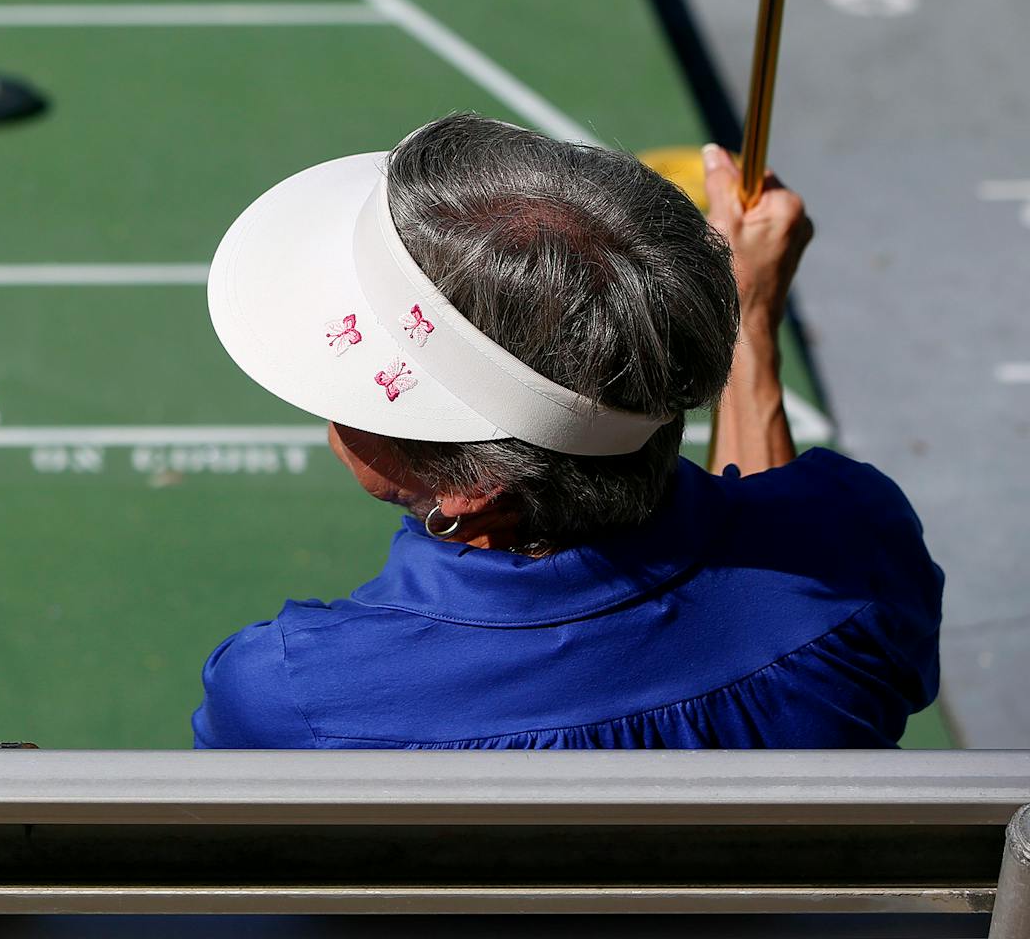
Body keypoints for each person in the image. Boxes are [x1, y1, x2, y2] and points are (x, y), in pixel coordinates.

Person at [196, 114, 942, 749]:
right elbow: (763, 532)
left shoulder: (295, 695)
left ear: (471, 491)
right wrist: (749, 316)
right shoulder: (860, 552)